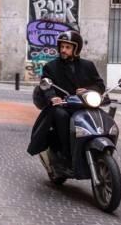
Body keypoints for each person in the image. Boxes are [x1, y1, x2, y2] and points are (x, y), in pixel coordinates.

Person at [30, 30, 105, 160]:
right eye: (62, 47)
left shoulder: (88, 65)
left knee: (101, 117)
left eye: (67, 47)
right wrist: (52, 97)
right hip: (63, 105)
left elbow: (99, 85)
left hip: (84, 105)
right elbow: (46, 85)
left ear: (76, 49)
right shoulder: (51, 67)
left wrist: (88, 90)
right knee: (61, 115)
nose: (63, 50)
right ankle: (66, 151)